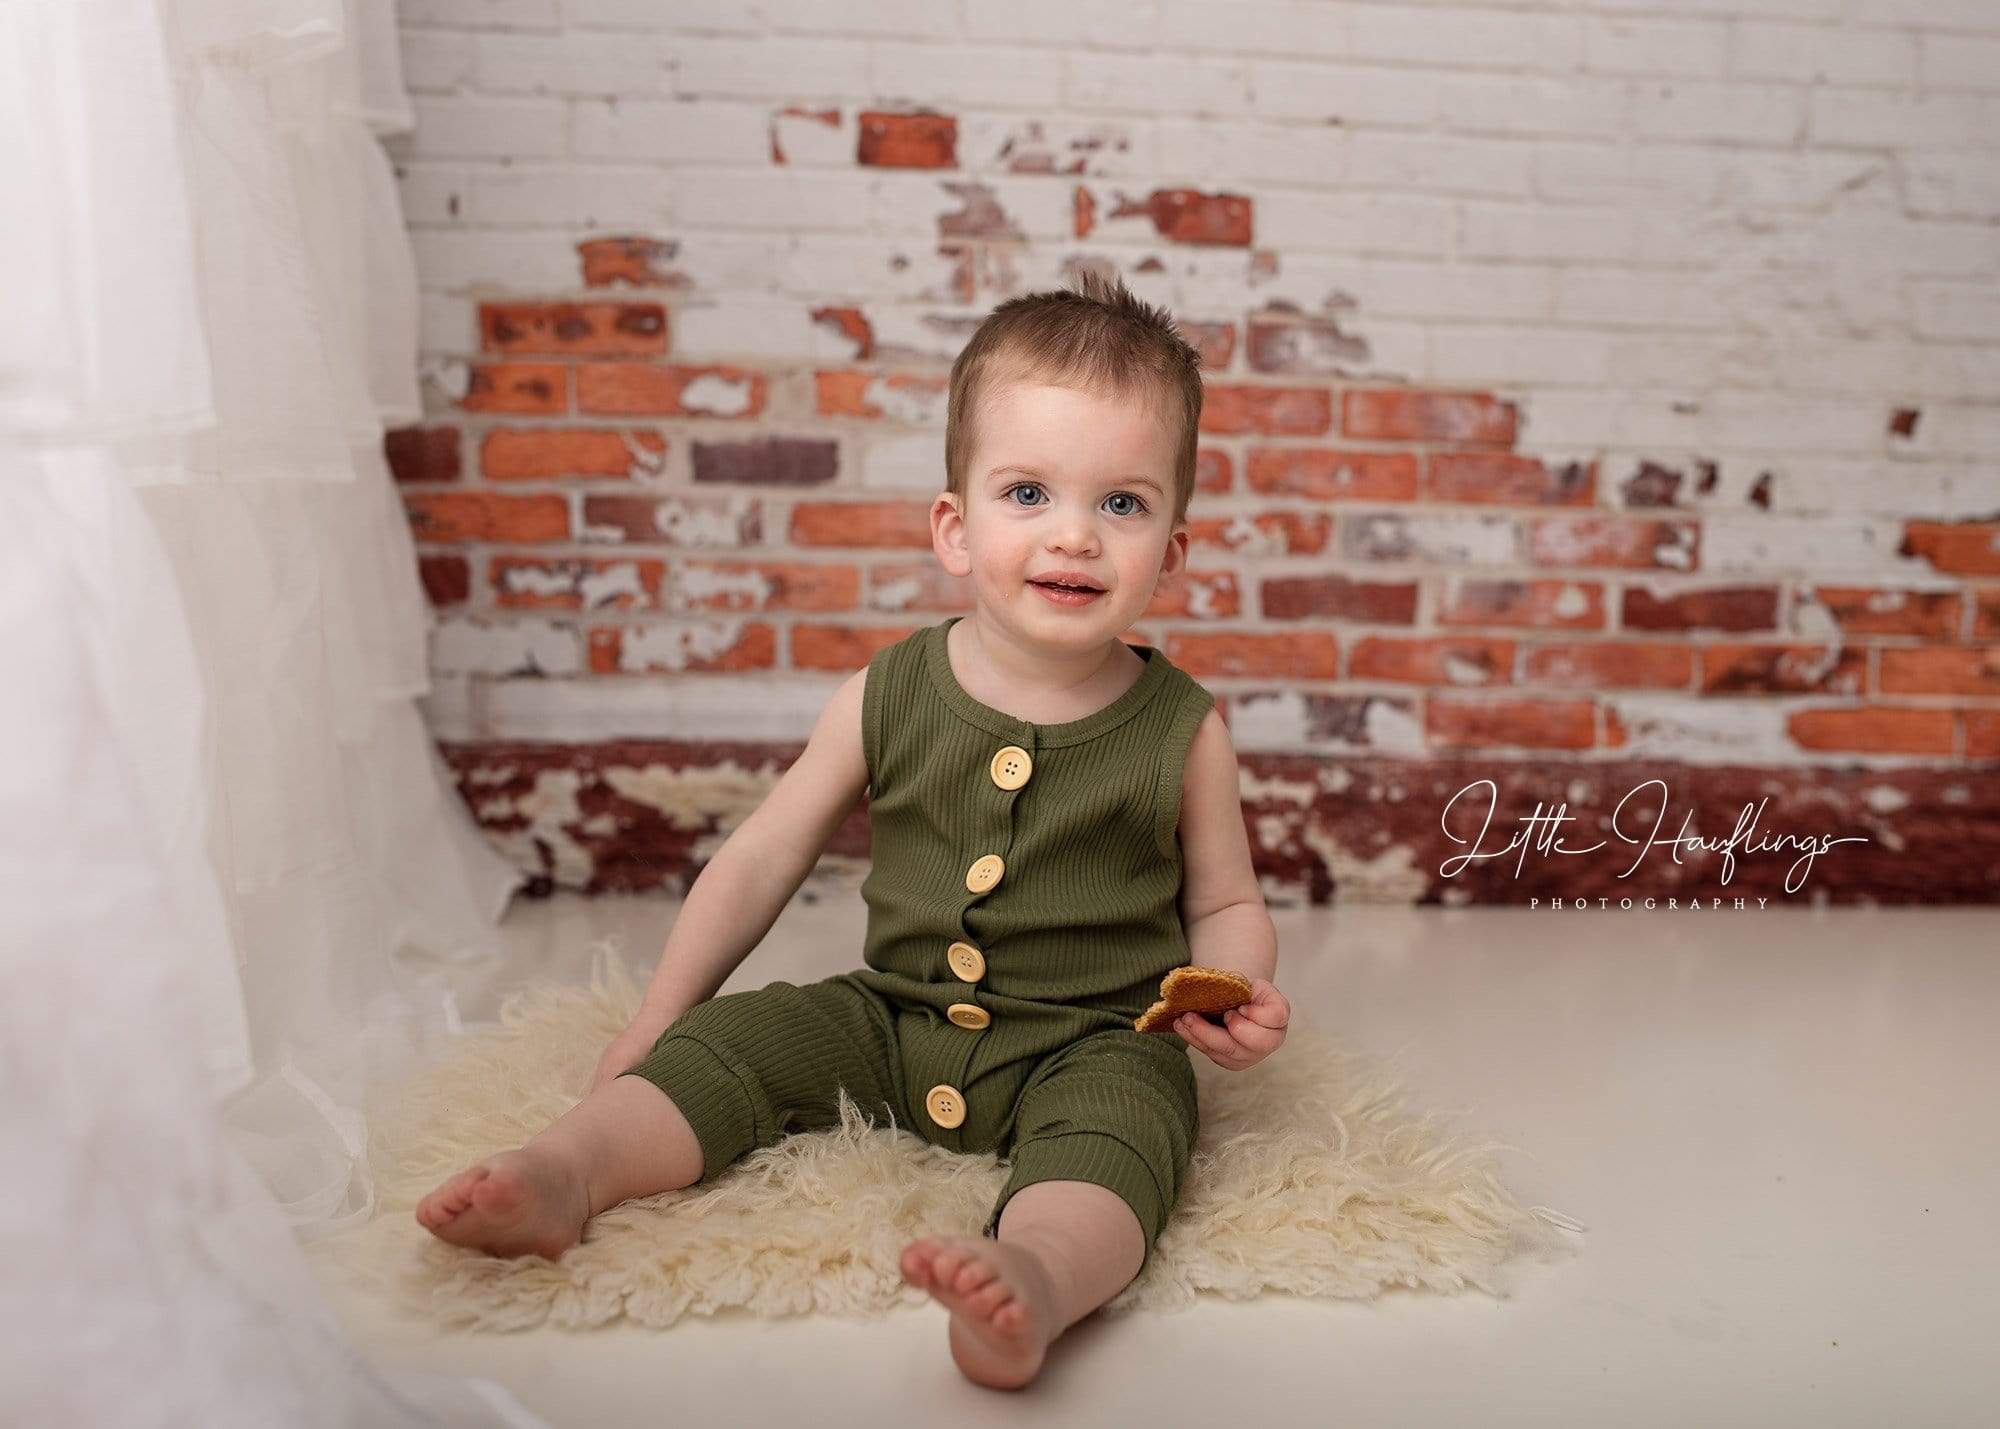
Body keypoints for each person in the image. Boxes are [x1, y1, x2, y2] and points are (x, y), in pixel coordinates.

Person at [416, 271, 1290, 1389]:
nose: (1073, 536)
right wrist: (657, 1013)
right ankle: (563, 1174)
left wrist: (1236, 985)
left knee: (1125, 1142)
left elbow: (1225, 900)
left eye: (1120, 504)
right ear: (954, 527)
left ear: (1170, 551)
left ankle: (1030, 1277)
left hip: (1095, 1036)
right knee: (735, 1048)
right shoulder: (887, 692)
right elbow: (760, 858)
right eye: (1027, 492)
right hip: (897, 1014)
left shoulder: (1181, 728)